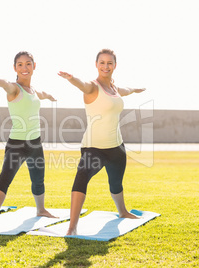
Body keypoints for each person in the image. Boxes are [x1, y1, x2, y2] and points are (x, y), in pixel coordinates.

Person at [58, 48, 146, 235]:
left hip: (116, 146)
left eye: (109, 63)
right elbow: (81, 84)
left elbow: (126, 90)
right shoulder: (92, 86)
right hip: (94, 148)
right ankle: (72, 227)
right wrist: (71, 78)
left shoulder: (114, 88)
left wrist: (135, 89)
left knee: (116, 182)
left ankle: (123, 212)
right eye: (102, 62)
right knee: (82, 177)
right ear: (96, 65)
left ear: (114, 65)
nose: (106, 66)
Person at [0, 51, 57, 232]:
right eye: (20, 64)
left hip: (35, 143)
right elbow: (5, 85)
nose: (25, 68)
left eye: (28, 64)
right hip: (17, 145)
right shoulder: (15, 89)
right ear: (15, 68)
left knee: (38, 179)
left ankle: (41, 209)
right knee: (4, 180)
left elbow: (43, 94)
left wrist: (51, 96)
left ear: (34, 66)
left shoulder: (34, 91)